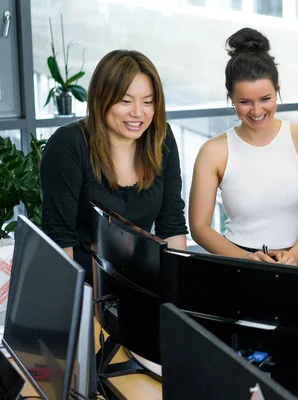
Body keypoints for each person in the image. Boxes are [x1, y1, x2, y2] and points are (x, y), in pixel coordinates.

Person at [189, 27, 298, 266]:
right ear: (231, 99)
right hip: (238, 263)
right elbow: (199, 226)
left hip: (293, 261)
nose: (256, 111)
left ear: (277, 91)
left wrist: (295, 254)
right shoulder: (213, 151)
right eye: (245, 102)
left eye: (265, 99)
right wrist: (245, 259)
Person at [41, 50, 188, 284]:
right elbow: (60, 239)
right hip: (85, 286)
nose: (138, 113)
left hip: (141, 282)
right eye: (125, 101)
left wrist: (176, 293)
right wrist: (72, 306)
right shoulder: (69, 143)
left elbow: (172, 226)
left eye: (148, 102)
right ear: (102, 99)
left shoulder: (161, 138)